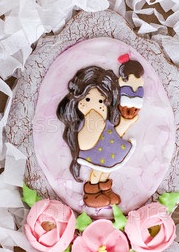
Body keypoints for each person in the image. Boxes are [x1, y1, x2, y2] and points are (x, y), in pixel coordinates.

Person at [56, 56, 143, 208]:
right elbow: (84, 143)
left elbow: (116, 133)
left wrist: (127, 123)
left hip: (109, 153)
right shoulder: (88, 122)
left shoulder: (106, 122)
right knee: (97, 172)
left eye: (101, 101)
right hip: (95, 154)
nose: (96, 105)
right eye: (88, 99)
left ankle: (106, 190)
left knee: (107, 171)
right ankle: (92, 193)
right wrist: (94, 124)